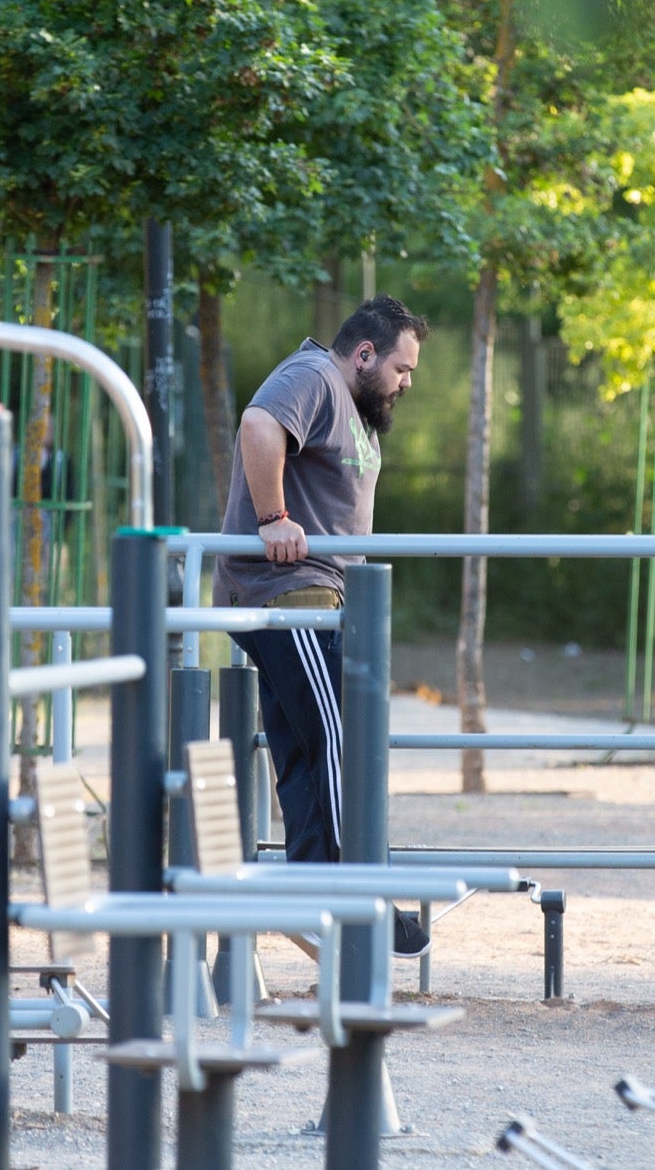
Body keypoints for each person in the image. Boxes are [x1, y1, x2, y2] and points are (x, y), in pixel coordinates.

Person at [212, 295, 430, 951]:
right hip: (292, 593)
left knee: (307, 749)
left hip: (319, 599)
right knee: (344, 739)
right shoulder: (315, 377)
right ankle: (360, 886)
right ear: (364, 353)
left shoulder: (354, 406)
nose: (406, 382)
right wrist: (274, 516)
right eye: (400, 367)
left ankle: (311, 889)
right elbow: (257, 424)